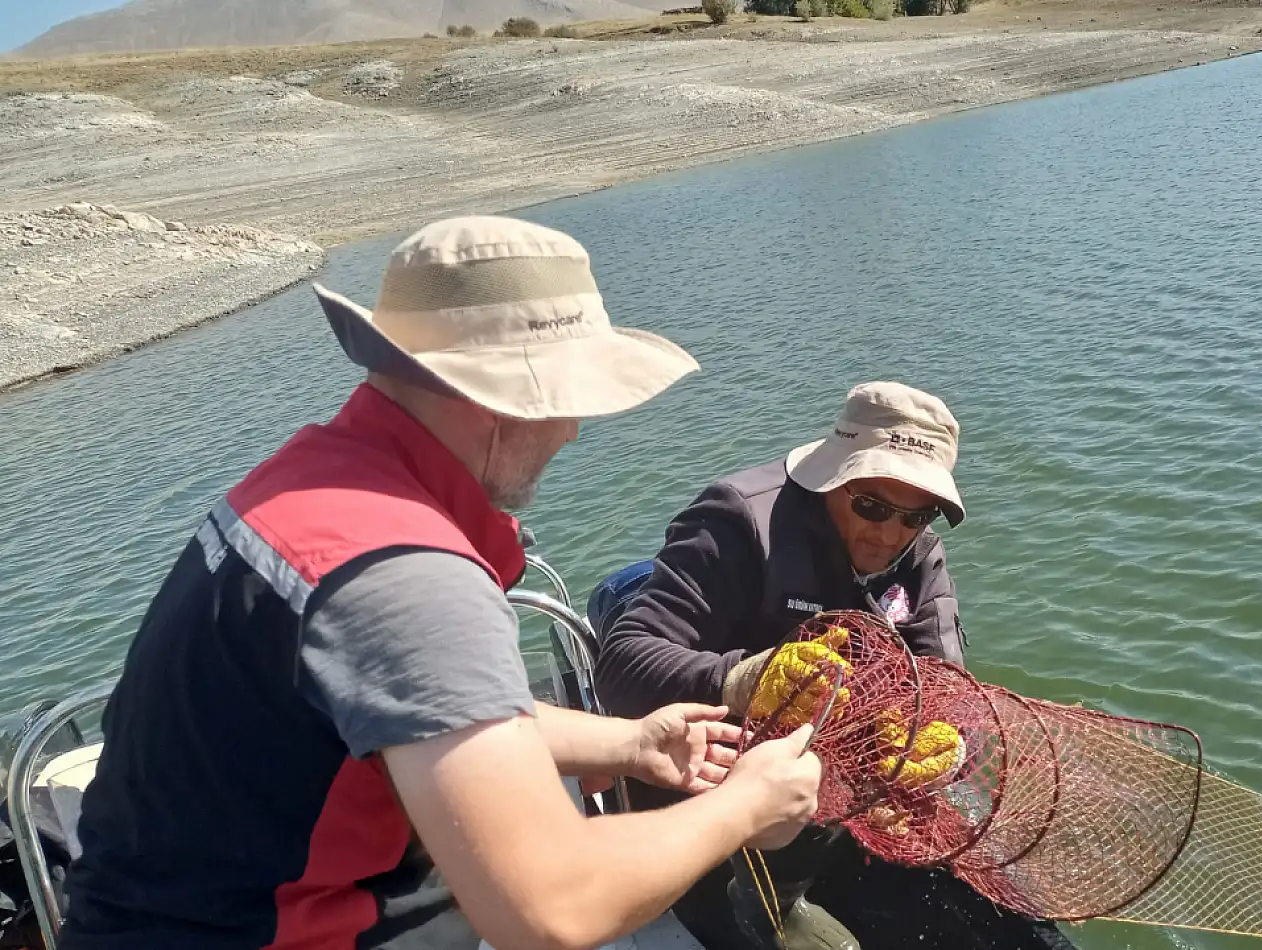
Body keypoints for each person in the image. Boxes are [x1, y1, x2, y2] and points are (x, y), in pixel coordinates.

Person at [60, 216, 823, 950]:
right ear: (494, 396)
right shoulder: (405, 573)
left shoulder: (313, 486)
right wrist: (743, 807)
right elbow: (551, 906)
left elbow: (409, 713)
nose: (573, 431)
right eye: (567, 401)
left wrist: (625, 742)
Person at [595, 382, 1076, 950]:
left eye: (914, 517)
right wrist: (745, 679)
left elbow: (948, 685)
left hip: (852, 803)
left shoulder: (917, 554)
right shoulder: (737, 519)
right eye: (871, 506)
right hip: (718, 798)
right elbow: (624, 663)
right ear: (835, 475)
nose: (889, 533)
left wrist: (940, 744)